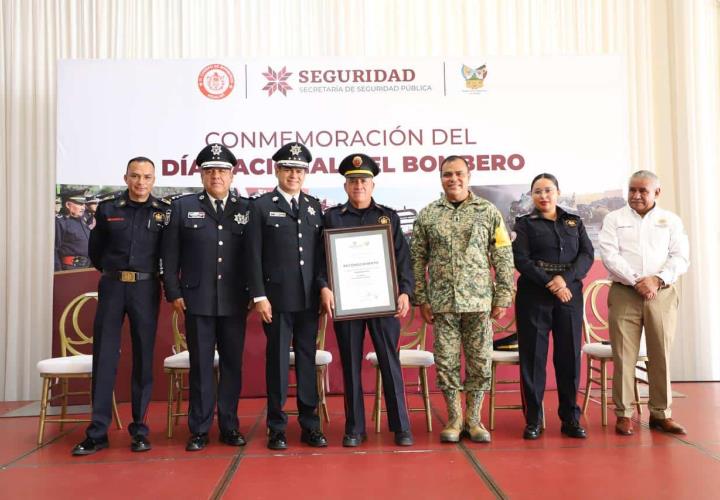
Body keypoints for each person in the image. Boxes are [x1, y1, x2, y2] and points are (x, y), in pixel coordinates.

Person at [410, 155, 514, 443]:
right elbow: (417, 259)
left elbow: (503, 255)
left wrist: (504, 295)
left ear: (469, 176)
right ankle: (454, 418)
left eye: (458, 174)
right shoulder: (428, 214)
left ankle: (474, 419)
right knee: (446, 363)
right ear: (440, 178)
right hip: (443, 303)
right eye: (447, 174)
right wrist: (422, 298)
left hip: (479, 303)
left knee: (480, 361)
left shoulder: (488, 211)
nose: (453, 179)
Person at [72, 157, 167, 456]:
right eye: (135, 176)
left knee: (142, 357)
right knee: (104, 358)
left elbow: (170, 253)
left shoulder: (164, 212)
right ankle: (97, 432)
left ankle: (139, 431)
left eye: (147, 177)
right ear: (125, 178)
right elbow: (96, 252)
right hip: (112, 286)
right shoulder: (109, 209)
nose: (141, 182)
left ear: (154, 180)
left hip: (146, 287)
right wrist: (114, 274)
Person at [319, 153, 414, 447]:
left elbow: (402, 259)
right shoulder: (332, 217)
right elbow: (320, 260)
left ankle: (401, 427)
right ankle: (354, 428)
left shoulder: (388, 216)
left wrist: (405, 291)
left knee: (390, 361)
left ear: (372, 185)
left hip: (383, 302)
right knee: (350, 365)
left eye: (363, 180)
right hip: (347, 304)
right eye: (352, 181)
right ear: (345, 186)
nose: (358, 185)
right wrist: (324, 286)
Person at [161, 143, 251, 451]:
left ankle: (229, 426)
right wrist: (173, 291)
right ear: (201, 175)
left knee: (231, 366)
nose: (216, 176)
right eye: (210, 170)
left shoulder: (245, 208)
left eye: (222, 171)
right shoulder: (183, 206)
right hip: (196, 300)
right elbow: (170, 256)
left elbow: (253, 257)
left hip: (234, 300)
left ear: (232, 175)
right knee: (200, 365)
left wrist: (254, 293)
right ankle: (199, 429)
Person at [246, 142, 327, 450]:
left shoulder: (312, 206)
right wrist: (259, 296)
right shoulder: (261, 206)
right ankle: (277, 427)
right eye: (289, 169)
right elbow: (252, 256)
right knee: (278, 363)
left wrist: (322, 288)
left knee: (307, 362)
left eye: (300, 170)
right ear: (276, 170)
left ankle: (310, 425)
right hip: (276, 301)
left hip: (308, 301)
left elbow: (318, 256)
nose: (295, 175)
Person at [599, 170, 689, 436]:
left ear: (656, 193)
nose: (636, 196)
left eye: (643, 191)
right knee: (624, 355)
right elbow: (609, 255)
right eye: (632, 190)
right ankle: (624, 414)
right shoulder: (614, 219)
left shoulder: (670, 221)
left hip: (661, 293)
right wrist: (639, 280)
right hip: (625, 292)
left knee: (660, 353)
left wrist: (657, 280)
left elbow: (680, 257)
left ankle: (661, 414)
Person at [512, 173, 594, 440]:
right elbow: (521, 260)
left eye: (548, 190)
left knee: (569, 358)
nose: (543, 196)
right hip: (534, 296)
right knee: (533, 359)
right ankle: (534, 419)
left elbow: (586, 255)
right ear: (531, 196)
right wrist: (551, 283)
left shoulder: (574, 222)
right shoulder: (524, 224)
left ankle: (570, 419)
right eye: (537, 192)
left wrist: (564, 280)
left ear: (558, 192)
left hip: (569, 295)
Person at [55, 191, 91, 271]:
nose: (83, 207)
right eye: (80, 204)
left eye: (84, 204)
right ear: (68, 205)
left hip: (88, 265)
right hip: (71, 267)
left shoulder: (83, 219)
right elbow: (54, 250)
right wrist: (58, 272)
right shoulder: (61, 222)